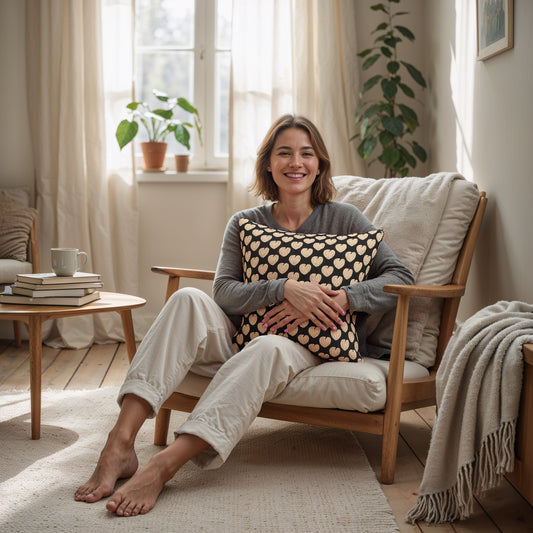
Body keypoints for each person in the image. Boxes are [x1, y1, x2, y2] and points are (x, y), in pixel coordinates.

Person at [74, 114, 414, 517]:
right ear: (268, 163)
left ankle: (163, 466)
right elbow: (224, 292)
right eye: (283, 153)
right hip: (239, 335)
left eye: (306, 154)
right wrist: (282, 288)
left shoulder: (345, 218)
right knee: (186, 299)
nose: (295, 162)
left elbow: (399, 277)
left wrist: (345, 298)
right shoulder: (246, 222)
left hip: (304, 348)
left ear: (319, 164)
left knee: (267, 347)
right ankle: (120, 442)